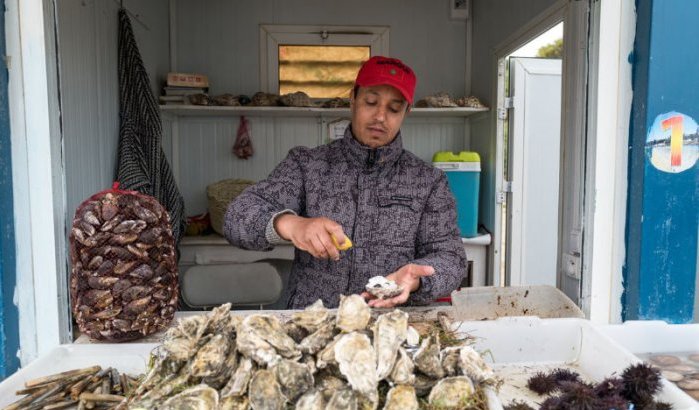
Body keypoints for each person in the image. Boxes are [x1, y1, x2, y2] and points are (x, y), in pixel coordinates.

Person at [224, 56, 466, 309]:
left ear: (407, 111)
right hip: (314, 322)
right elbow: (236, 218)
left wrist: (416, 280)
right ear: (353, 98)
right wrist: (290, 224)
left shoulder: (427, 181)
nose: (380, 116)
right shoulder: (307, 164)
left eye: (394, 108)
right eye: (371, 102)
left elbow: (451, 259)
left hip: (390, 325)